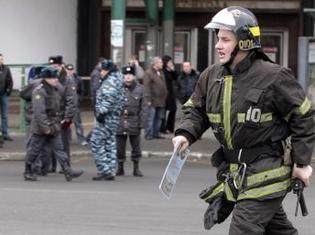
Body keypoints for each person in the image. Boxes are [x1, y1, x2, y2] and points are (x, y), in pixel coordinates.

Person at [172, 6, 314, 234]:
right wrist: (185, 133)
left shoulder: (274, 76)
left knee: (243, 228)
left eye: (225, 40)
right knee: (277, 230)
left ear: (245, 42)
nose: (218, 45)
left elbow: (304, 117)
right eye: (218, 39)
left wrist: (301, 163)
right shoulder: (211, 75)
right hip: (237, 173)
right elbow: (195, 109)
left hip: (268, 172)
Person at [23, 66, 83, 181]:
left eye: (56, 77)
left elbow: (61, 104)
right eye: (53, 78)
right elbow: (39, 113)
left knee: (59, 149)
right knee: (34, 150)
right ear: (46, 79)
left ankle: (67, 171)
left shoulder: (55, 89)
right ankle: (28, 171)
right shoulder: (39, 91)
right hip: (41, 127)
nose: (56, 79)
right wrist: (46, 128)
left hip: (54, 125)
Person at [90, 60, 125, 181]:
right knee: (110, 143)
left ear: (108, 71)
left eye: (103, 70)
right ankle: (110, 170)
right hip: (114, 117)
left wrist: (101, 113)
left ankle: (104, 170)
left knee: (96, 142)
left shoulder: (110, 81)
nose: (101, 72)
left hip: (106, 118)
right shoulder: (118, 79)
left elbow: (108, 98)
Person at [48, 56, 77, 171]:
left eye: (55, 66)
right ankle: (51, 165)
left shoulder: (68, 79)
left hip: (62, 114)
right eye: (51, 66)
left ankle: (65, 166)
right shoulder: (49, 78)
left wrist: (68, 117)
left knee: (63, 142)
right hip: (52, 114)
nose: (53, 68)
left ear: (61, 66)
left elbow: (71, 99)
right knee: (51, 141)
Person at [116, 65, 144, 177]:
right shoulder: (118, 88)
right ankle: (120, 167)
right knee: (119, 147)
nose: (128, 77)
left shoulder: (140, 89)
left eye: (130, 75)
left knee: (136, 147)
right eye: (126, 75)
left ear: (133, 76)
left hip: (134, 120)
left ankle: (136, 168)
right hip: (120, 119)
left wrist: (141, 123)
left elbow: (143, 108)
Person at [143, 56, 168, 140]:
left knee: (159, 118)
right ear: (155, 63)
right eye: (160, 62)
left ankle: (156, 133)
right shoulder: (148, 73)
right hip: (152, 99)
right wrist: (148, 99)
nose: (162, 64)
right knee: (150, 118)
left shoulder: (160, 72)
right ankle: (148, 134)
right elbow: (146, 87)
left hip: (161, 100)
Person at [65, 63, 88, 146]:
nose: (70, 71)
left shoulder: (77, 79)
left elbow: (82, 91)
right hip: (66, 105)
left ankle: (81, 139)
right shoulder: (63, 79)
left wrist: (79, 99)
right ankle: (67, 140)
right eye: (68, 70)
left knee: (78, 123)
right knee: (66, 123)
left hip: (75, 105)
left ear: (73, 70)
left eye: (71, 70)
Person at [160, 55, 178, 134]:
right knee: (163, 111)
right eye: (169, 61)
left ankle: (170, 128)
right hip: (164, 92)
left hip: (171, 93)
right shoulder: (162, 71)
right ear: (166, 62)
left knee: (173, 109)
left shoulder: (170, 70)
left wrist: (173, 70)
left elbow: (176, 78)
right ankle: (162, 128)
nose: (171, 63)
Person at [0, 53, 14, 141]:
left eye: (2, 59)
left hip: (3, 95)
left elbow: (10, 81)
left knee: (4, 115)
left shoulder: (6, 68)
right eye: (0, 59)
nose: (1, 61)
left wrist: (8, 91)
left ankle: (5, 134)